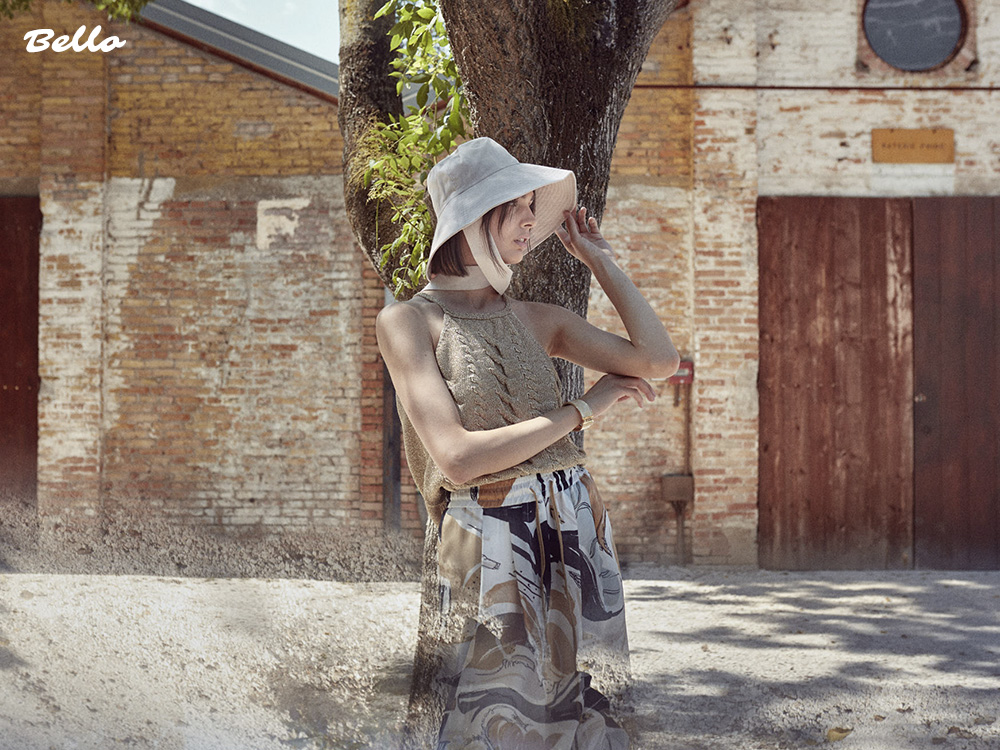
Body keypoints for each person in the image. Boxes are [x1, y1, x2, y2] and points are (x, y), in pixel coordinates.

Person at [376, 137, 679, 749]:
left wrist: (600, 260)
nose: (529, 222)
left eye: (532, 208)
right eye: (514, 207)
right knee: (497, 715)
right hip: (487, 529)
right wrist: (582, 409)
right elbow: (457, 456)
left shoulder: (536, 317)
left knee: (586, 712)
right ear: (469, 220)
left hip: (574, 522)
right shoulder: (408, 321)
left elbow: (658, 360)